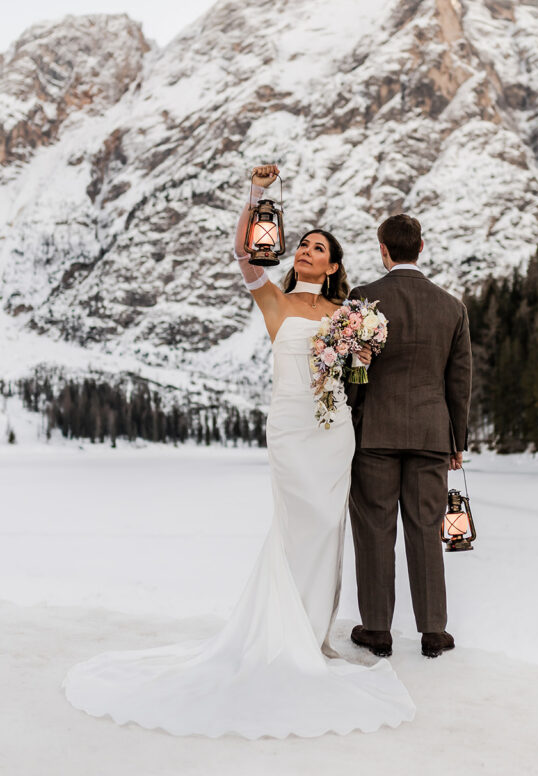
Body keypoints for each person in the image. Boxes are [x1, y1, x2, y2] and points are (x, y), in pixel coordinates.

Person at [61, 164, 415, 739]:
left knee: (328, 526)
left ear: (333, 265)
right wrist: (258, 198)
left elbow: (362, 371)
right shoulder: (275, 301)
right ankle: (283, 634)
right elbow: (244, 254)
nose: (304, 251)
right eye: (302, 244)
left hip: (333, 433)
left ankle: (313, 634)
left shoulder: (349, 315)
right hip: (291, 427)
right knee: (294, 525)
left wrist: (357, 349)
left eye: (317, 248)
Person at [347, 213, 472, 660]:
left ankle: (378, 630)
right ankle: (433, 631)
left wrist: (354, 419)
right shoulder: (451, 307)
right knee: (424, 529)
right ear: (421, 248)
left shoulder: (364, 299)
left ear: (383, 249)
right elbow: (459, 381)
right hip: (431, 434)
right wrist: (456, 440)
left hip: (375, 434)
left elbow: (353, 372)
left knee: (375, 530)